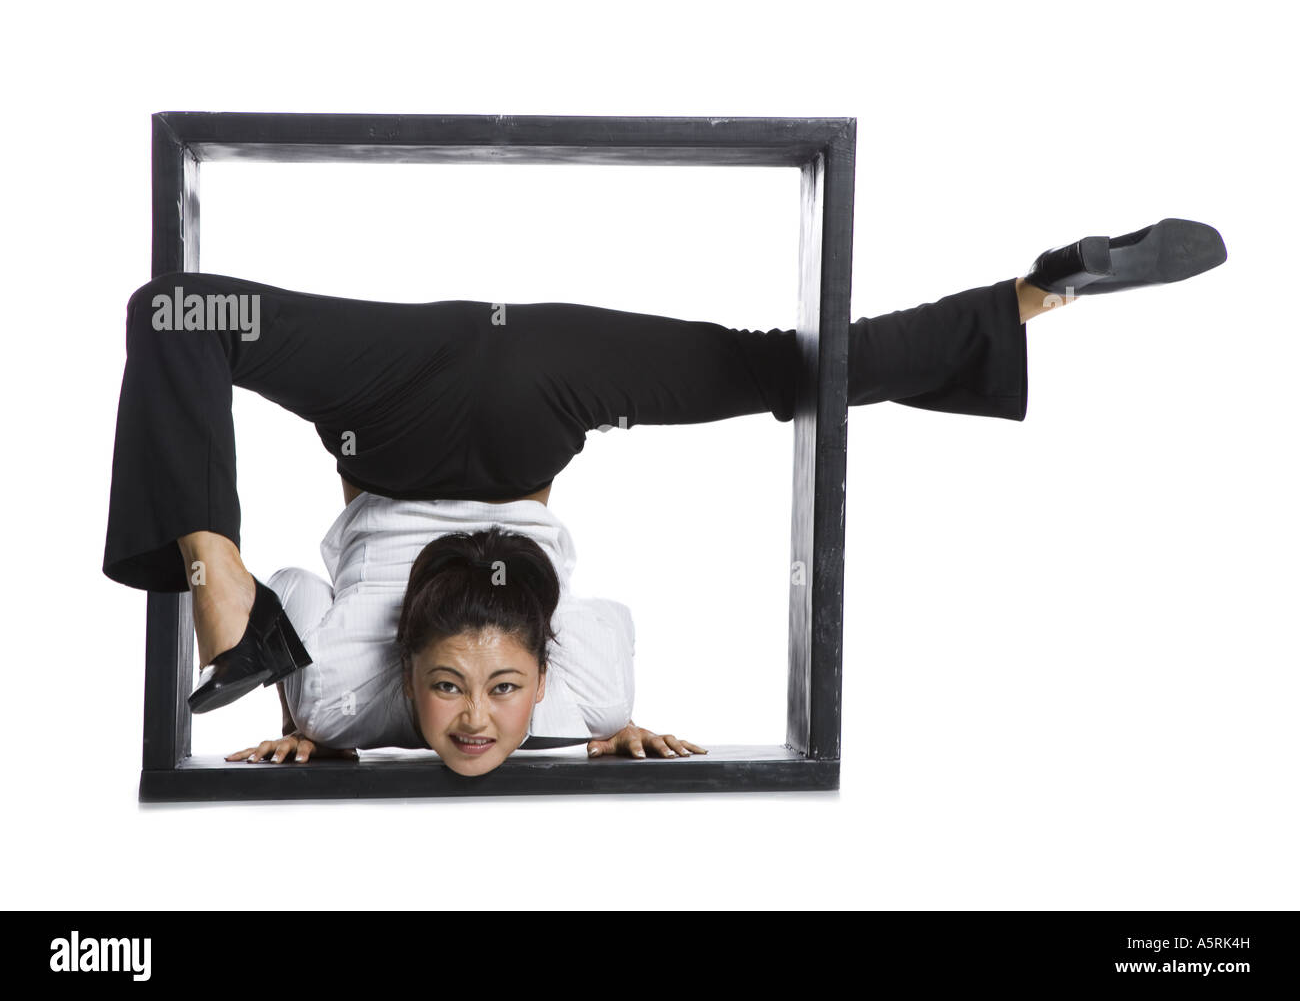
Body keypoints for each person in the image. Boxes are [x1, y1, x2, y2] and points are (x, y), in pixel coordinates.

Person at [101, 217, 1227, 778]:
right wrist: (607, 730)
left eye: (461, 695)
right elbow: (575, 643)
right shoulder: (529, 702)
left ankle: (1036, 300)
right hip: (470, 390)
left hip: (425, 402)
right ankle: (1031, 295)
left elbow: (589, 631)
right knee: (176, 315)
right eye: (487, 694)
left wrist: (309, 723)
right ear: (535, 674)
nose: (477, 719)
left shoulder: (425, 706)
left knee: (777, 371)